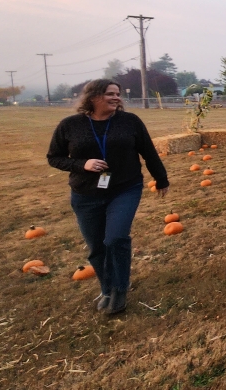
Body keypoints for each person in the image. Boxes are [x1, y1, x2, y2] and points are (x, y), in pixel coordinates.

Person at [47, 79, 168, 315]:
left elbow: (148, 151)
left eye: (118, 94)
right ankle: (107, 288)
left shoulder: (129, 122)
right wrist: (83, 164)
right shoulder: (70, 125)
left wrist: (161, 179)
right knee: (96, 246)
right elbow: (54, 157)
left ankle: (121, 288)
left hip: (125, 188)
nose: (117, 98)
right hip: (85, 194)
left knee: (115, 238)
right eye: (110, 94)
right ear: (93, 97)